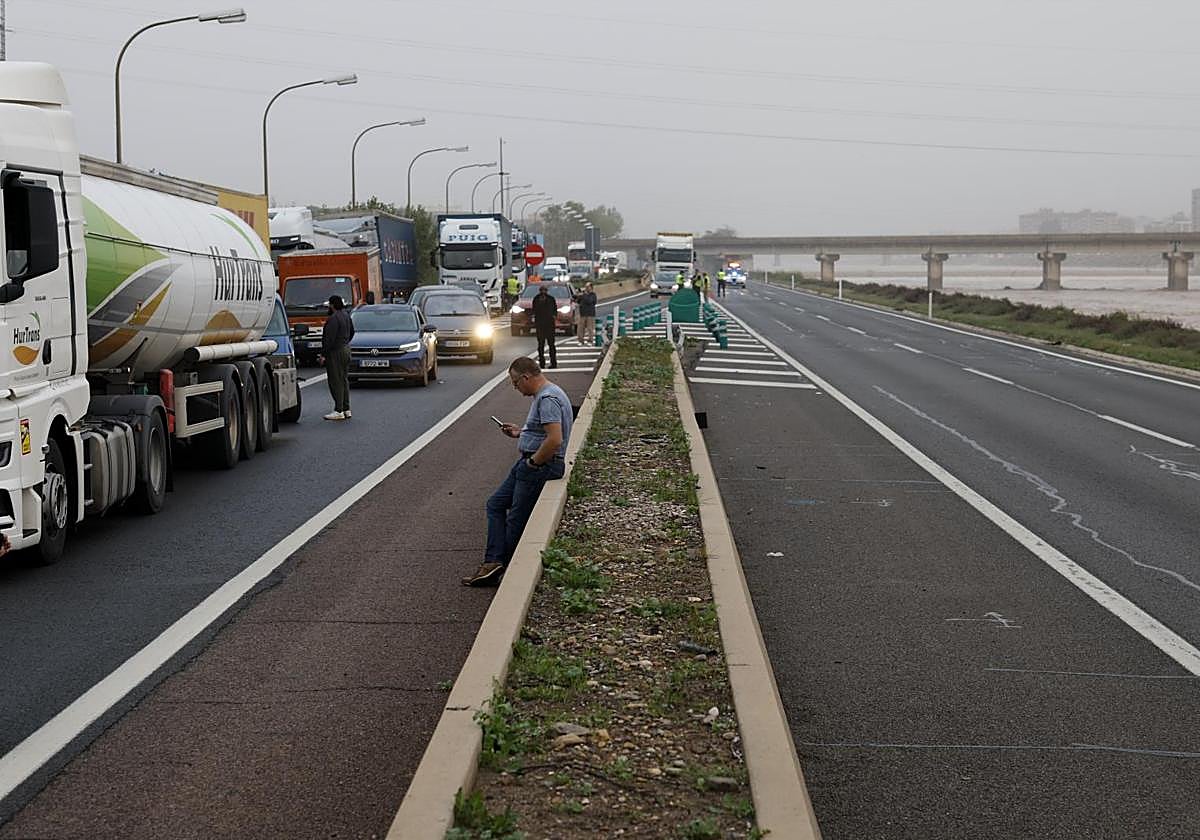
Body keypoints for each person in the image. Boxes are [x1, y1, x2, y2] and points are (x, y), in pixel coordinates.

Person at [463, 358, 573, 586]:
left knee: (515, 519)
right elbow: (542, 434)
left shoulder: (547, 399)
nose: (516, 388)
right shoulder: (549, 394)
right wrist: (520, 433)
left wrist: (533, 463)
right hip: (530, 463)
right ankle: (493, 562)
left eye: (515, 383)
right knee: (495, 504)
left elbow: (554, 439)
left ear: (526, 377)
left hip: (539, 466)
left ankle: (500, 566)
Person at [316, 295, 354, 421]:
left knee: (335, 381)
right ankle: (346, 408)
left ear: (332, 305)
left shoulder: (333, 319)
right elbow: (352, 332)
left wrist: (323, 355)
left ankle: (338, 410)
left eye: (329, 305)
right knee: (343, 380)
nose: (328, 307)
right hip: (346, 349)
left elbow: (329, 339)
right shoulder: (346, 316)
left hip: (336, 352)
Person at [532, 284, 558, 369]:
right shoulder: (536, 299)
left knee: (551, 345)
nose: (543, 292)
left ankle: (553, 363)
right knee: (541, 345)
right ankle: (542, 363)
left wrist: (553, 317)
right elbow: (534, 311)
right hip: (540, 325)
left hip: (549, 324)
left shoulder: (551, 299)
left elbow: (555, 310)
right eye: (542, 290)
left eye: (545, 291)